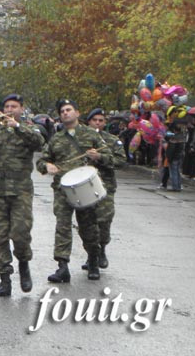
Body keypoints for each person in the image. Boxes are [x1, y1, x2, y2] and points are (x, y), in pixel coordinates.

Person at [0, 94, 45, 297]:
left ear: (22, 109)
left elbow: (39, 143)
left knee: (20, 233)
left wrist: (17, 127)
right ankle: (5, 278)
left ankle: (23, 263)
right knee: (0, 236)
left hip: (21, 189)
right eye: (7, 106)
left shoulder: (29, 128)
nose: (10, 110)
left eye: (14, 106)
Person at [36, 99, 113, 283]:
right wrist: (47, 166)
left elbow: (110, 157)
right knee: (62, 226)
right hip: (63, 189)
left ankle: (93, 261)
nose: (65, 113)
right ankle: (62, 266)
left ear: (77, 113)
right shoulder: (56, 138)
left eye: (69, 110)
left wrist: (99, 156)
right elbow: (41, 161)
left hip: (85, 188)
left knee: (88, 227)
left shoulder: (90, 135)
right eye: (62, 110)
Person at [83, 108, 127, 270]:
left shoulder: (112, 140)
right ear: (89, 122)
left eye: (101, 120)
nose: (98, 123)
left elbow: (121, 161)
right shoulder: (81, 139)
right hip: (85, 188)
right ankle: (91, 255)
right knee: (87, 223)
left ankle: (102, 249)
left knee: (104, 221)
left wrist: (101, 157)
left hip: (105, 186)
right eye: (94, 120)